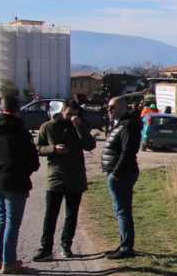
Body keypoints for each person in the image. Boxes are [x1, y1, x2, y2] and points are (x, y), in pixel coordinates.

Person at [0, 92, 40, 273]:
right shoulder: (21, 133)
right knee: (12, 222)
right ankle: (9, 261)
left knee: (2, 219)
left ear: (1, 108)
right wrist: (26, 170)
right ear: (17, 110)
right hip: (16, 181)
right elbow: (34, 161)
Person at [33, 99, 97, 261]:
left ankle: (66, 244)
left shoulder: (80, 126)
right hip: (55, 177)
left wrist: (79, 126)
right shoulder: (48, 126)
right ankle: (46, 248)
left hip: (76, 177)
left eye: (75, 115)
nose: (71, 118)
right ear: (62, 111)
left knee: (71, 214)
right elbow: (38, 148)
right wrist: (53, 149)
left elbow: (90, 145)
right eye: (69, 114)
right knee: (51, 215)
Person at [102, 96, 142, 259]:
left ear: (123, 108)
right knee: (121, 210)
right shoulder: (121, 124)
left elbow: (128, 151)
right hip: (119, 174)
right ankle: (124, 244)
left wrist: (116, 173)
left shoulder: (128, 126)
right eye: (108, 107)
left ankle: (126, 247)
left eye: (112, 107)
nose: (109, 110)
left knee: (122, 211)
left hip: (122, 175)